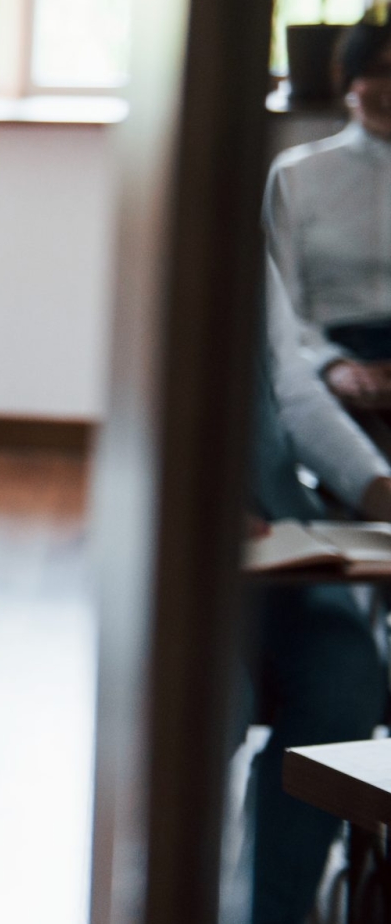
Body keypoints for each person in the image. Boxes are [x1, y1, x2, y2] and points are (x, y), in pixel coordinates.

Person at [241, 261, 391, 924]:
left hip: (282, 535)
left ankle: (272, 909)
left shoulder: (251, 246)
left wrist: (376, 487)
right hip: (185, 556)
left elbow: (292, 390)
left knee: (348, 678)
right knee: (215, 698)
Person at [265, 22, 391, 441]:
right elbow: (280, 301)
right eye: (379, 70)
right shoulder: (297, 174)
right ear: (347, 78)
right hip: (329, 351)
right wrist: (331, 365)